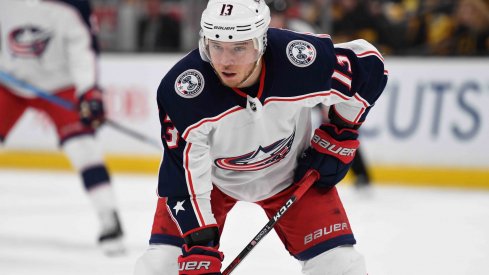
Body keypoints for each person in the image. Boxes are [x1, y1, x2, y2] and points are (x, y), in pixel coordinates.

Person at [134, 0, 388, 274]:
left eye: (238, 47)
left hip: (292, 174)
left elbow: (369, 66)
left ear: (260, 42)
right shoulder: (184, 90)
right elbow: (182, 178)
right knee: (160, 266)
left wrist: (341, 130)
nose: (225, 61)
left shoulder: (297, 59)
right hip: (209, 183)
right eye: (215, 46)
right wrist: (199, 242)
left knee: (341, 266)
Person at [0, 0, 124, 255]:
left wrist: (88, 90)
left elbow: (83, 50)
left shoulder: (73, 5)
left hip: (60, 83)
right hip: (9, 81)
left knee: (83, 148)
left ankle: (108, 217)